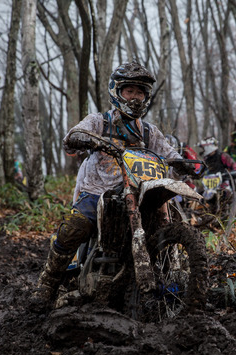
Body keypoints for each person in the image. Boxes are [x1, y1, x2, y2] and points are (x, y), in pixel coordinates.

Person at [30, 61, 196, 312]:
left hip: (141, 192)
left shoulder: (150, 132)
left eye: (140, 92)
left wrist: (187, 165)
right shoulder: (99, 122)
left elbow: (172, 155)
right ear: (117, 92)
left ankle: (172, 276)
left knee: (170, 220)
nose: (135, 97)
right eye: (130, 91)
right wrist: (89, 139)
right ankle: (47, 284)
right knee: (77, 226)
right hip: (98, 191)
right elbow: (71, 140)